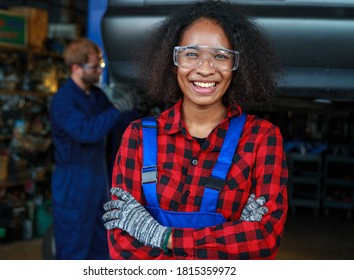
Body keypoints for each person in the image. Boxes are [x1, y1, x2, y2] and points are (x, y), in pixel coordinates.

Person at [102, 0, 288, 260]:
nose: (205, 68)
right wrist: (231, 238)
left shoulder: (262, 139)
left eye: (220, 55)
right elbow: (121, 243)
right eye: (191, 54)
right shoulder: (138, 136)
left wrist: (162, 236)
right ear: (174, 61)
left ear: (238, 66)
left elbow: (264, 238)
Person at [50, 38, 136, 259]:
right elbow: (87, 131)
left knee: (102, 243)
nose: (99, 71)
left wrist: (139, 110)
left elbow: (118, 123)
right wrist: (117, 108)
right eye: (94, 66)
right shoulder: (63, 101)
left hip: (98, 180)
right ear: (76, 68)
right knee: (74, 246)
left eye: (101, 65)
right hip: (73, 184)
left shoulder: (95, 96)